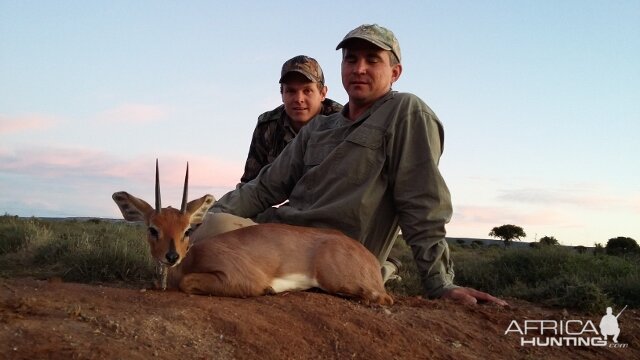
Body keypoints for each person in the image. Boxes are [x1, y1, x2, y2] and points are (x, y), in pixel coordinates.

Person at [212, 24, 507, 306]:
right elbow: (263, 187)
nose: (359, 68)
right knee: (212, 229)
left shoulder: (406, 112)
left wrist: (441, 284)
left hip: (334, 257)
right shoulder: (319, 128)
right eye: (351, 59)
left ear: (395, 72)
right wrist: (202, 217)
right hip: (280, 242)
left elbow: (421, 203)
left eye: (372, 60)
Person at [239, 55, 343, 184]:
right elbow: (250, 183)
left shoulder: (342, 123)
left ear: (322, 93)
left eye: (307, 90)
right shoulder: (267, 125)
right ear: (282, 94)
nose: (299, 99)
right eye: (291, 91)